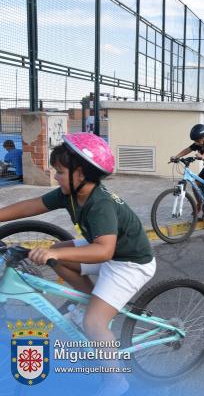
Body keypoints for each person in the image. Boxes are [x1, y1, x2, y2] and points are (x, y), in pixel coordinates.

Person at [0, 133, 155, 395]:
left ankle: (116, 381)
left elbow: (104, 251)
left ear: (80, 173)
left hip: (129, 263)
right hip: (108, 251)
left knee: (95, 324)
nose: (55, 176)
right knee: (53, 252)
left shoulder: (100, 204)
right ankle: (86, 301)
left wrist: (58, 256)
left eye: (59, 171)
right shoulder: (69, 192)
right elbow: (31, 205)